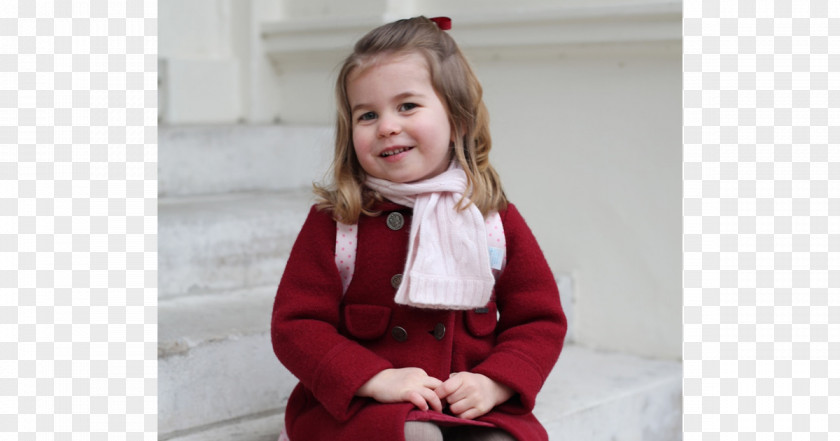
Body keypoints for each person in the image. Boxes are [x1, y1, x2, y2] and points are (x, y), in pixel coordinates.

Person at [271, 16, 566, 441]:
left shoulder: (490, 218)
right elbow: (295, 325)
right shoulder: (340, 221)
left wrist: (495, 382)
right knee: (416, 437)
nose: (387, 125)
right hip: (365, 404)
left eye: (407, 106)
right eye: (367, 114)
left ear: (458, 120)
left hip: (467, 404)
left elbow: (538, 319)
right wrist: (372, 379)